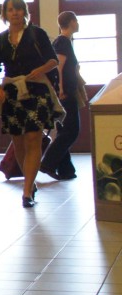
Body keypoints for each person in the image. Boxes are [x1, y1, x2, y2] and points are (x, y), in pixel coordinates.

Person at [0, 0, 63, 208]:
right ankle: (29, 182)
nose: (15, 13)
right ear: (4, 14)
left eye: (19, 9)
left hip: (36, 90)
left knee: (33, 138)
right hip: (12, 92)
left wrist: (38, 71)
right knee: (18, 142)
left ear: (25, 12)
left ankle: (27, 190)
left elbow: (53, 59)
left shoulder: (36, 33)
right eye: (10, 10)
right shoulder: (0, 39)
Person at [40, 11, 85, 180]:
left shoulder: (64, 42)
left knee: (64, 130)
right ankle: (47, 162)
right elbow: (58, 67)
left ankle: (66, 169)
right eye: (77, 20)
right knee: (72, 131)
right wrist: (60, 90)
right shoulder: (62, 42)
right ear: (71, 22)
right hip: (64, 94)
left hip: (65, 92)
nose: (78, 23)